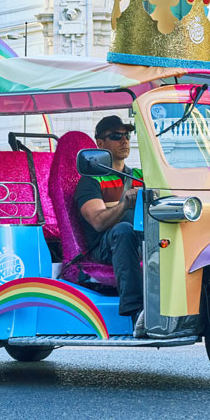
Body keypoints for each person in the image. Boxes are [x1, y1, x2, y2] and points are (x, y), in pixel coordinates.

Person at [75, 115, 145, 336]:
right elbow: (97, 222)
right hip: (105, 247)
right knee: (124, 231)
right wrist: (125, 204)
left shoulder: (141, 177)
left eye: (127, 135)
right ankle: (137, 313)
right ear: (100, 144)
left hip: (144, 240)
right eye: (116, 136)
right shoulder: (90, 181)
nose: (124, 141)